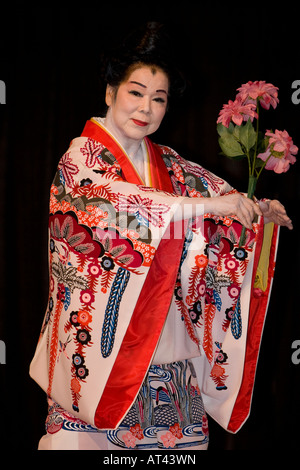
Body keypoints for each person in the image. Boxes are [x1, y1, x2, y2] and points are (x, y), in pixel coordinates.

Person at [30, 22, 292, 450]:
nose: (146, 108)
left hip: (169, 363)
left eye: (159, 98)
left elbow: (222, 201)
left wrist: (256, 210)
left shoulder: (168, 163)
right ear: (111, 91)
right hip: (98, 362)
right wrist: (209, 207)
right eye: (135, 92)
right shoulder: (82, 157)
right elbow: (116, 201)